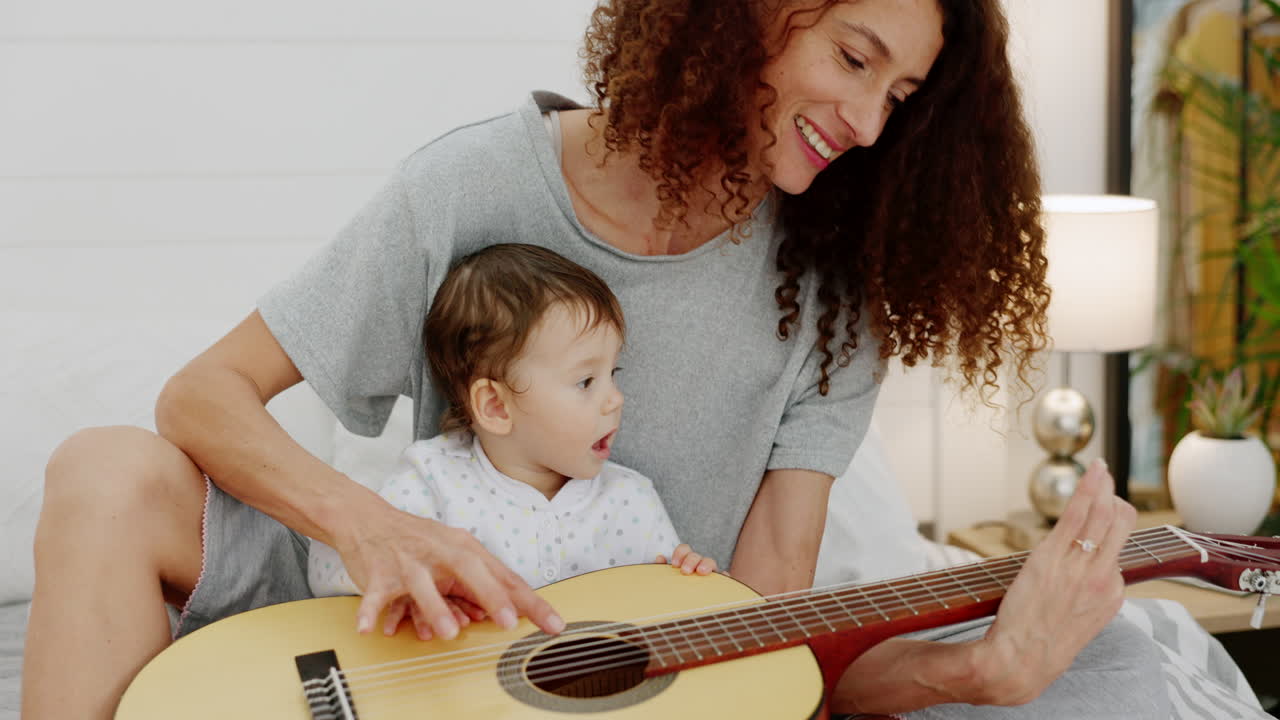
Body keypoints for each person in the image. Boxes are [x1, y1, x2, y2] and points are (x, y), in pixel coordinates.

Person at [23, 0, 1168, 718]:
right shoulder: (473, 185)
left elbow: (771, 633)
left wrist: (977, 672)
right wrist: (368, 525)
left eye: (899, 96)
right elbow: (200, 393)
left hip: (590, 678)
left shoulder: (835, 287)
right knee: (104, 468)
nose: (869, 123)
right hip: (388, 625)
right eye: (854, 57)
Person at [308, 243, 717, 640]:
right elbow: (338, 564)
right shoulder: (432, 480)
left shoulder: (632, 501)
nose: (615, 398)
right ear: (496, 407)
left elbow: (666, 620)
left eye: (615, 372)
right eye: (586, 381)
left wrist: (690, 582)